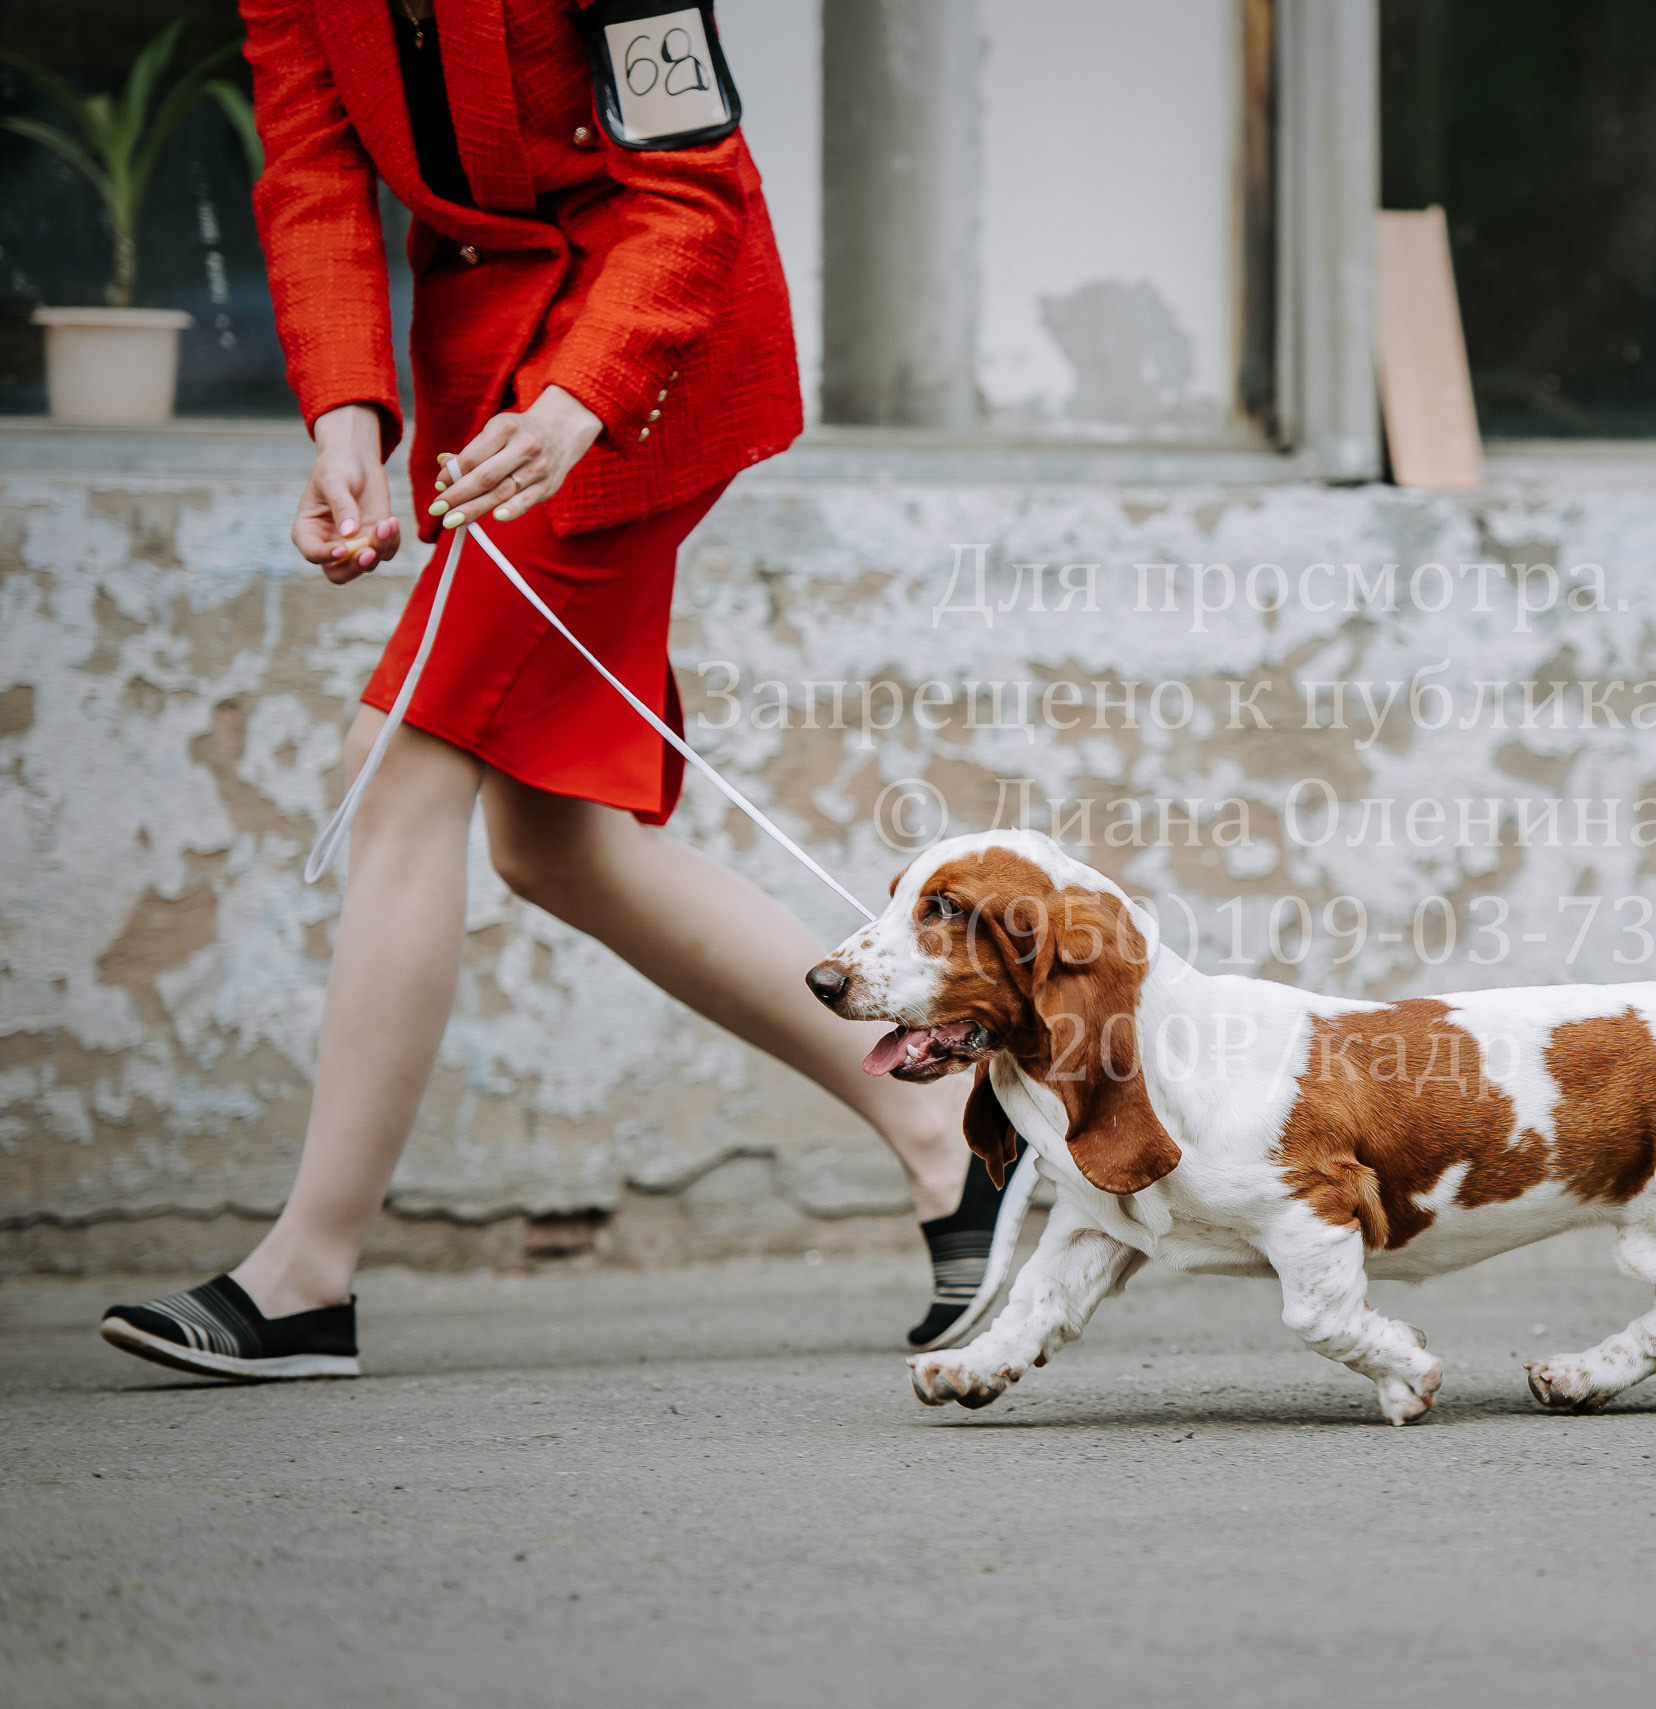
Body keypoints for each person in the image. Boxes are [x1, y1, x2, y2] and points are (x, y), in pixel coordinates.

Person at [100, 0, 1029, 1382]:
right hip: (492, 372)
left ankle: (302, 1276)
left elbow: (692, 190)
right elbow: (309, 171)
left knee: (401, 753)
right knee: (557, 846)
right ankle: (949, 1144)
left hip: (644, 364)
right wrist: (344, 419)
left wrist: (577, 404)